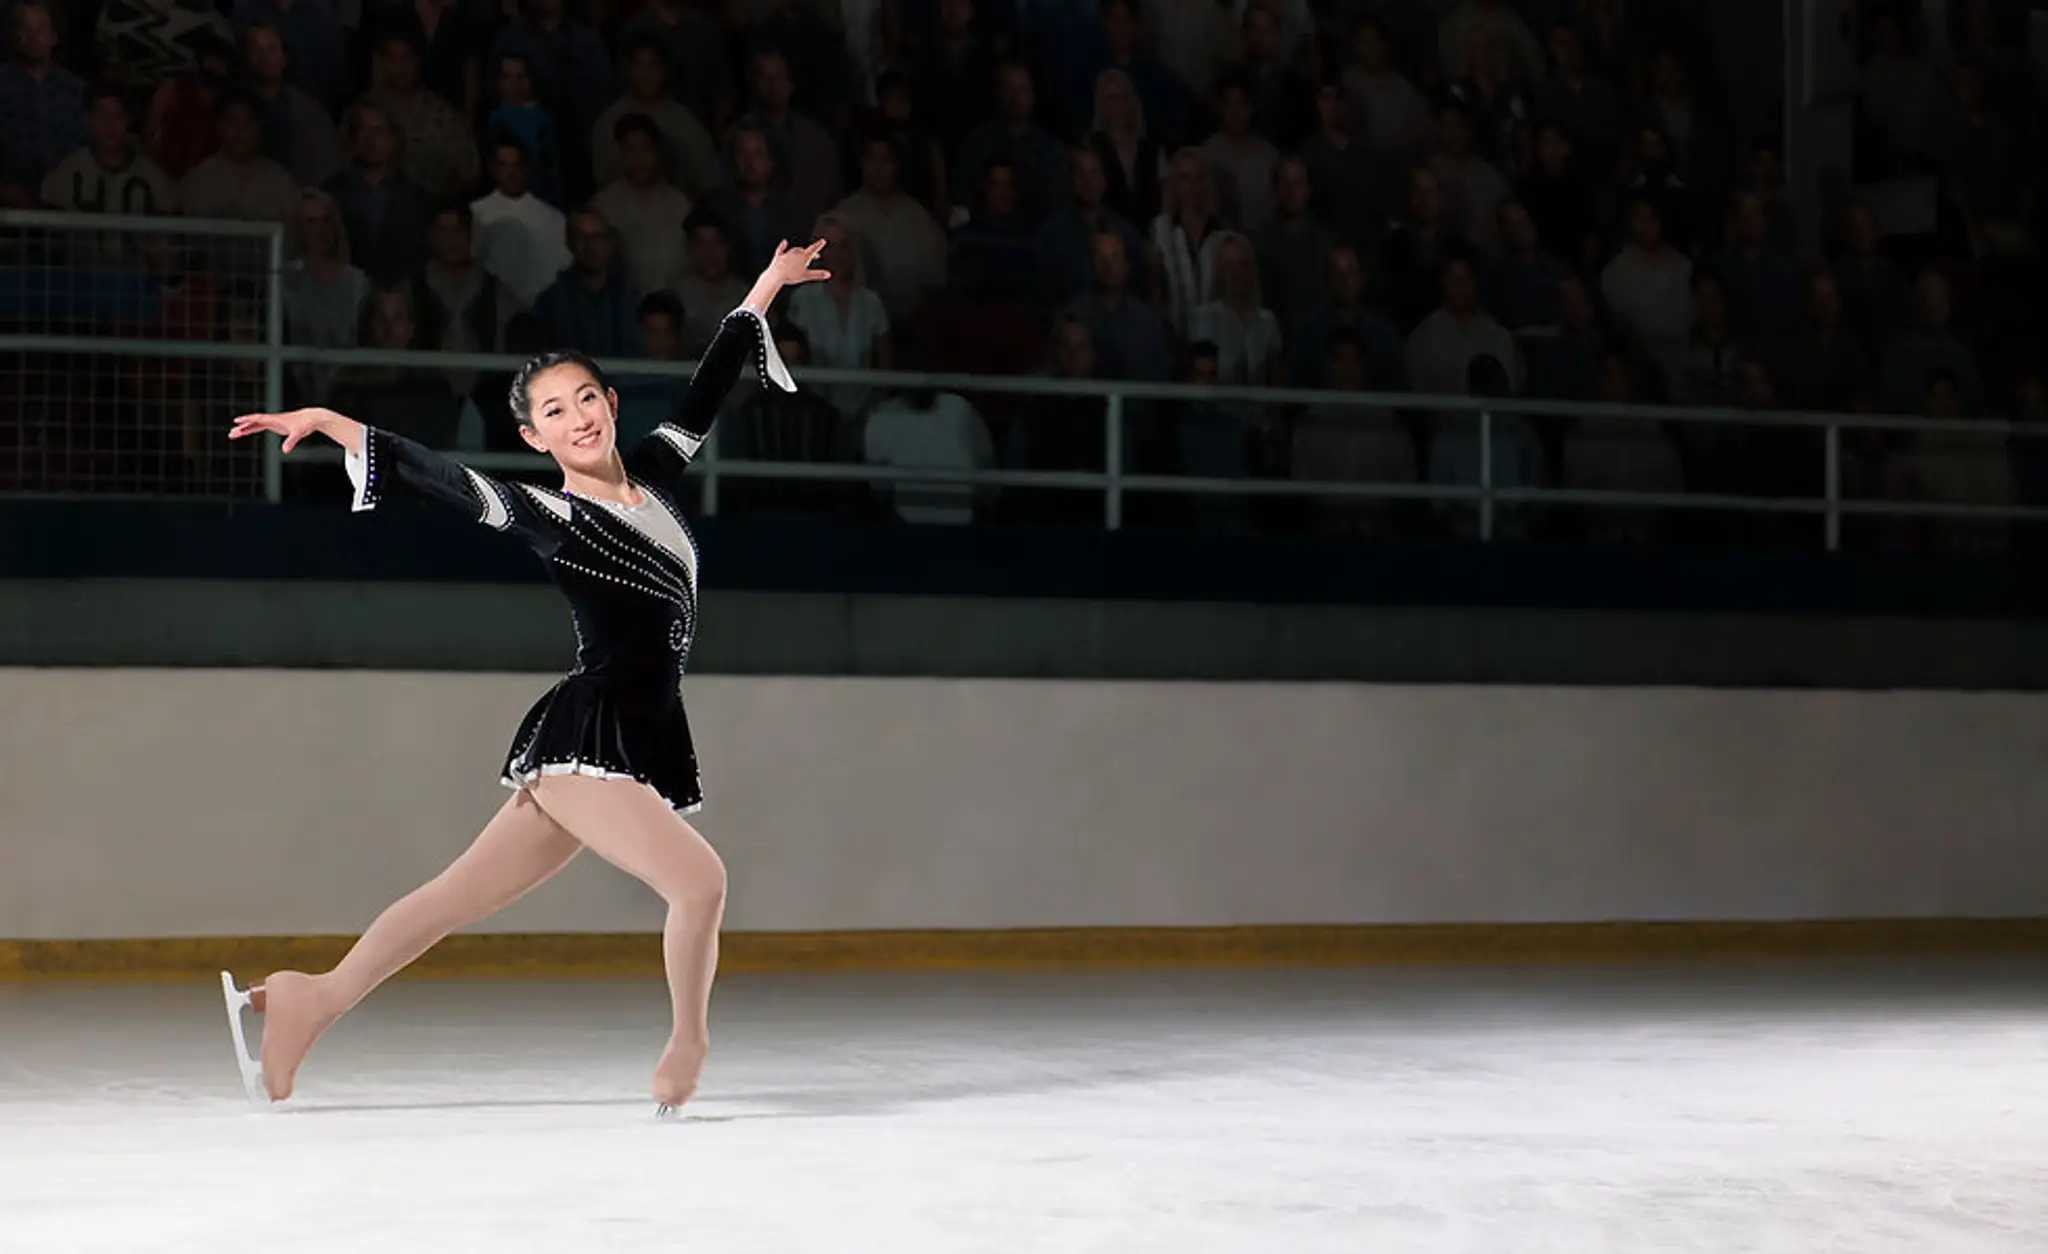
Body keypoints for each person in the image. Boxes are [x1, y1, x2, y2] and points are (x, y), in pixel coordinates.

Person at [218, 239, 832, 1116]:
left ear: (611, 403)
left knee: (450, 899)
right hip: (588, 739)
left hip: (626, 737)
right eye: (554, 410)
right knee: (700, 883)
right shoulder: (553, 513)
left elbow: (711, 380)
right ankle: (687, 1044)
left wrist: (769, 283)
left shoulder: (654, 475)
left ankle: (309, 998)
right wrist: (337, 425)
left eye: (587, 397)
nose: (577, 416)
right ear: (532, 436)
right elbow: (450, 481)